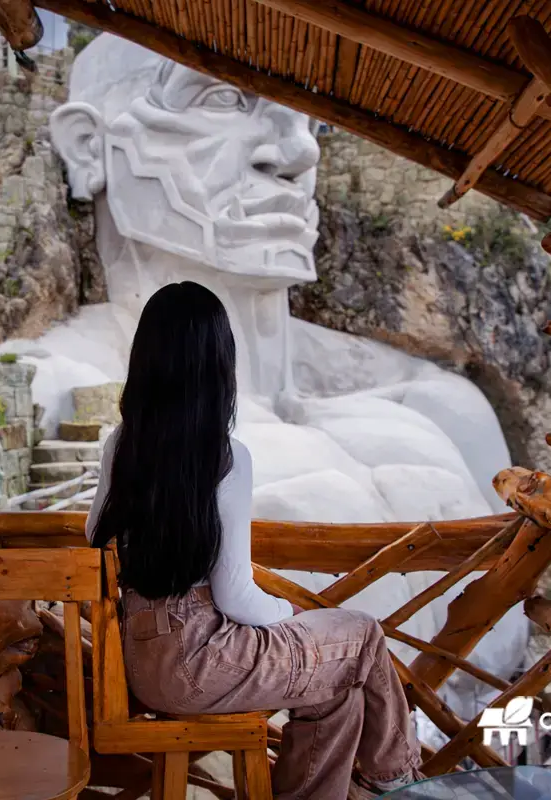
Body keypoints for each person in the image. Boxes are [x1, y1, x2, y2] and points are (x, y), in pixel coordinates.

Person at [87, 281, 422, 799]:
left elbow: (94, 532)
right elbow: (236, 596)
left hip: (142, 661)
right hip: (204, 659)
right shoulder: (225, 458)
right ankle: (397, 782)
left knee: (338, 692)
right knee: (361, 634)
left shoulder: (122, 444)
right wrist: (292, 616)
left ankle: (375, 786)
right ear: (217, 364)